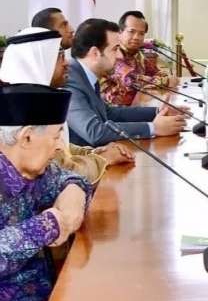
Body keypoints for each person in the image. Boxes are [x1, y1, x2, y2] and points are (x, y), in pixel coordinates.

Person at [0, 83, 91, 301]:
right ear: (27, 137)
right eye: (57, 135)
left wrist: (74, 194)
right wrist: (46, 226)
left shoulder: (32, 169)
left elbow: (69, 178)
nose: (61, 147)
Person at [0, 27, 132, 184]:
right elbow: (58, 175)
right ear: (41, 62)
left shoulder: (44, 98)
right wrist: (105, 158)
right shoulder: (19, 108)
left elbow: (64, 149)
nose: (66, 63)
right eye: (60, 57)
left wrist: (95, 152)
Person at [65, 19, 187, 147]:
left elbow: (109, 114)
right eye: (115, 49)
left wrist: (158, 111)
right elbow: (95, 132)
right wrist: (153, 128)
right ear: (95, 53)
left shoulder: (84, 75)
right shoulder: (70, 81)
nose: (119, 56)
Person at [101, 11, 177, 106]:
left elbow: (156, 72)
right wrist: (166, 81)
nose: (136, 37)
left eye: (141, 33)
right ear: (120, 32)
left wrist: (163, 79)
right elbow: (131, 80)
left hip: (139, 108)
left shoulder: (138, 54)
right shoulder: (114, 53)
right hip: (116, 114)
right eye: (131, 32)